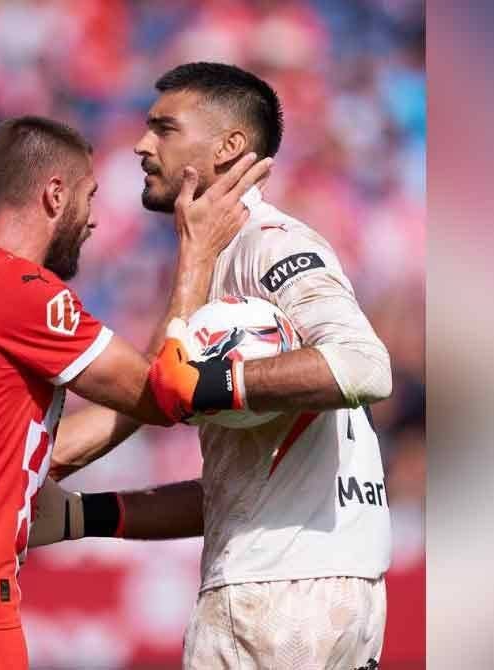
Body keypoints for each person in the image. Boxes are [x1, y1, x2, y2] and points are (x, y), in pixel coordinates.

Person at [0, 115, 270, 670]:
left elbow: (24, 452)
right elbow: (163, 390)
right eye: (90, 197)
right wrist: (197, 252)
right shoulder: (17, 291)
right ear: (55, 195)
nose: (94, 219)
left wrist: (133, 398)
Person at [34, 63, 393, 670]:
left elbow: (364, 366)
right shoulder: (217, 258)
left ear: (229, 146)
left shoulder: (270, 245)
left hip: (271, 603)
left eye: (164, 128)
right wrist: (79, 515)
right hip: (318, 587)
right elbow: (234, 495)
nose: (141, 145)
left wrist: (214, 382)